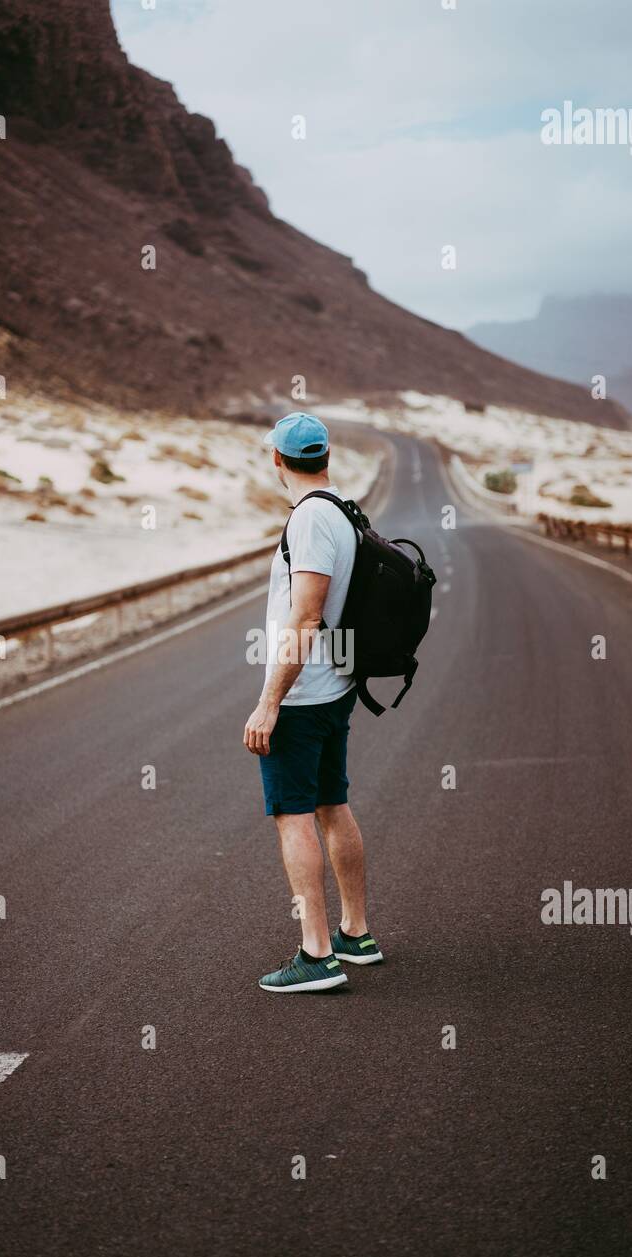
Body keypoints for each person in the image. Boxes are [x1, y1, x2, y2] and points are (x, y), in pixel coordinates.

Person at [243, 412, 384, 993]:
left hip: (302, 694)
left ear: (278, 460)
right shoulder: (345, 511)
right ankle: (355, 933)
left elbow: (305, 617)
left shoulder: (308, 521)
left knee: (293, 815)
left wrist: (270, 701)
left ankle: (316, 952)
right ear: (326, 457)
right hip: (339, 684)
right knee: (332, 803)